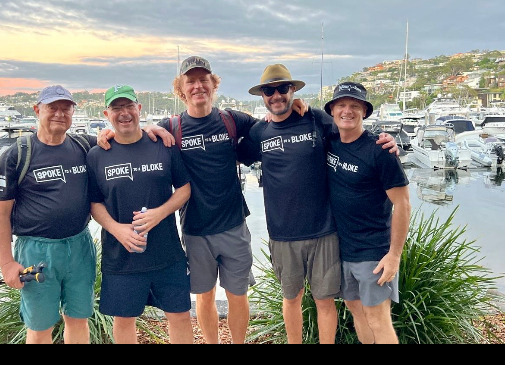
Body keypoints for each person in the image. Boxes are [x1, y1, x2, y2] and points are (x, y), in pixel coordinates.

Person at [237, 64, 398, 344]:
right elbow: (232, 154)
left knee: (325, 301)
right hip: (282, 234)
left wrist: (384, 140)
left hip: (324, 231)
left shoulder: (315, 119)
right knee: (291, 299)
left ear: (292, 90)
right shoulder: (259, 131)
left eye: (282, 88)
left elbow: (351, 131)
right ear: (262, 96)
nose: (276, 95)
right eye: (269, 91)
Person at [157, 56, 306, 344]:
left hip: (234, 225)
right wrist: (115, 132)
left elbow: (273, 124)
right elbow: (135, 139)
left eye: (204, 80)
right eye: (191, 81)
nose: (198, 86)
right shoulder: (171, 126)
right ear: (181, 88)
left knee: (238, 295)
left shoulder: (231, 120)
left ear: (213, 84)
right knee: (205, 296)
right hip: (195, 228)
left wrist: (295, 107)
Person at [0, 85, 98, 344]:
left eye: (66, 108)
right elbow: (0, 214)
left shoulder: (85, 146)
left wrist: (155, 130)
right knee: (40, 327)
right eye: (52, 107)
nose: (60, 114)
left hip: (79, 246)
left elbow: (126, 138)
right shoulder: (17, 154)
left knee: (78, 319)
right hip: (36, 251)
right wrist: (7, 264)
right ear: (37, 110)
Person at [87, 85, 193, 344]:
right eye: (116, 108)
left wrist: (160, 213)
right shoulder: (97, 155)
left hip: (166, 252)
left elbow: (184, 189)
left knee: (180, 316)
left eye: (129, 106)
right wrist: (116, 229)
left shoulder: (163, 145)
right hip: (121, 257)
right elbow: (94, 203)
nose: (124, 113)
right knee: (124, 321)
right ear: (107, 114)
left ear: (139, 109)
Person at [324, 82, 411, 344]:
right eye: (341, 105)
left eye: (355, 106)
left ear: (364, 112)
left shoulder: (380, 151)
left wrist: (394, 255)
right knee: (356, 311)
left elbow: (403, 204)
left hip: (373, 252)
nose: (347, 111)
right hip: (342, 249)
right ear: (332, 110)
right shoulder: (330, 142)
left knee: (377, 318)